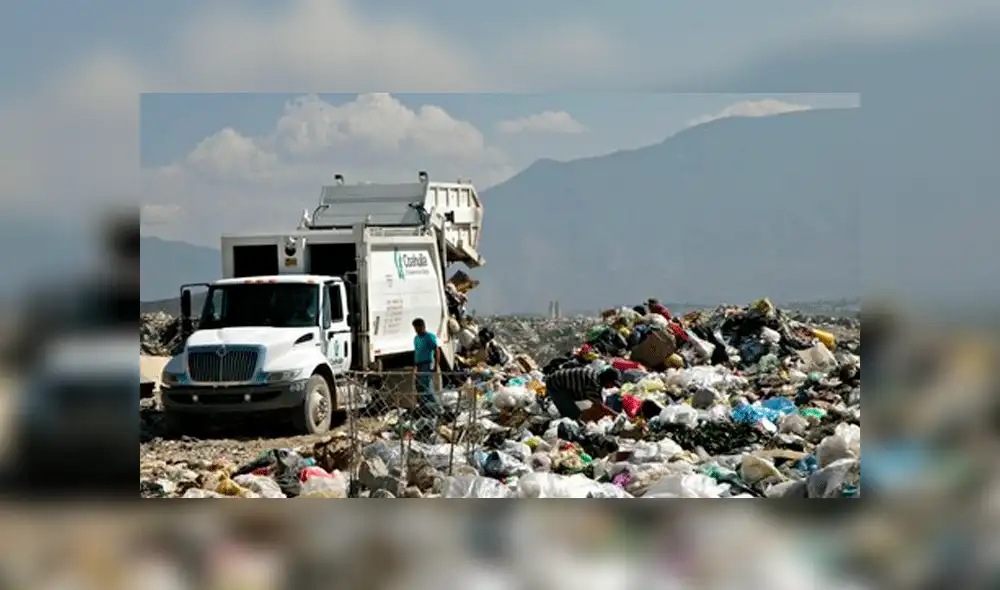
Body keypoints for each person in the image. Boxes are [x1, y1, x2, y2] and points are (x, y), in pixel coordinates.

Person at [544, 366, 621, 421]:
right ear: (607, 379)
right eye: (612, 384)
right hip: (555, 385)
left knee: (578, 412)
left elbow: (598, 401)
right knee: (572, 417)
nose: (612, 387)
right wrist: (617, 416)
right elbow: (600, 406)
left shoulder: (597, 376)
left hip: (563, 384)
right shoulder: (593, 383)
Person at [411, 318, 442, 417]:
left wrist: (436, 365)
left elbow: (436, 350)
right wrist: (415, 366)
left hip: (427, 363)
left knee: (427, 387)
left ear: (422, 326)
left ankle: (438, 409)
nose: (416, 330)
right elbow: (417, 352)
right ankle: (424, 409)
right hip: (419, 365)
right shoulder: (416, 338)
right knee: (420, 388)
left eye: (418, 327)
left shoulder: (429, 337)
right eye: (415, 328)